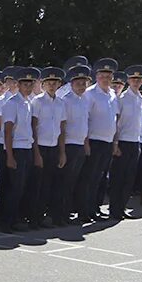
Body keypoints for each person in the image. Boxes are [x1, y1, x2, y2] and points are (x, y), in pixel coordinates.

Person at [78, 58, 119, 222]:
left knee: (101, 178)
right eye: (103, 75)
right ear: (97, 76)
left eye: (108, 76)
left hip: (108, 141)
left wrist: (115, 142)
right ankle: (84, 211)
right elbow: (85, 119)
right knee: (89, 178)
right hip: (94, 141)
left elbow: (115, 119)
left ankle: (95, 208)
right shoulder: (90, 94)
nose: (106, 79)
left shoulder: (112, 94)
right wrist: (86, 142)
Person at [0, 67, 37, 231]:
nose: (28, 88)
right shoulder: (12, 103)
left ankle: (17, 217)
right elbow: (8, 131)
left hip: (26, 147)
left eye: (30, 84)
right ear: (18, 85)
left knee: (23, 186)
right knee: (14, 187)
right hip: (16, 149)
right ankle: (7, 221)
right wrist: (9, 156)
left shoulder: (28, 103)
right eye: (24, 84)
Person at [109, 64, 142, 220]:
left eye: (139, 79)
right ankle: (114, 209)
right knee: (118, 177)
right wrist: (115, 143)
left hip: (135, 141)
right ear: (128, 80)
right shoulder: (123, 98)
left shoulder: (140, 98)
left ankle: (121, 207)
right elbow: (117, 122)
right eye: (133, 79)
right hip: (123, 142)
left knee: (129, 178)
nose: (136, 82)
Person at [30, 66, 66, 227]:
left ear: (59, 84)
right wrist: (36, 153)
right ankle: (35, 218)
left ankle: (51, 216)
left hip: (54, 147)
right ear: (43, 84)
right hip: (41, 147)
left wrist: (62, 152)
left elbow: (62, 128)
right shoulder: (37, 102)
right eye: (48, 82)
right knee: (38, 186)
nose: (52, 85)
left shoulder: (61, 103)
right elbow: (34, 127)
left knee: (53, 184)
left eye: (55, 82)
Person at [60, 64, 91, 224]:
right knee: (67, 181)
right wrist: (63, 150)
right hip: (69, 145)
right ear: (71, 84)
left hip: (80, 144)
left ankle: (73, 211)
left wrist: (86, 145)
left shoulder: (84, 100)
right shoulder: (67, 101)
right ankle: (63, 214)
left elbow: (84, 124)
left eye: (84, 83)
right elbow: (63, 126)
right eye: (78, 83)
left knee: (78, 180)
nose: (81, 86)